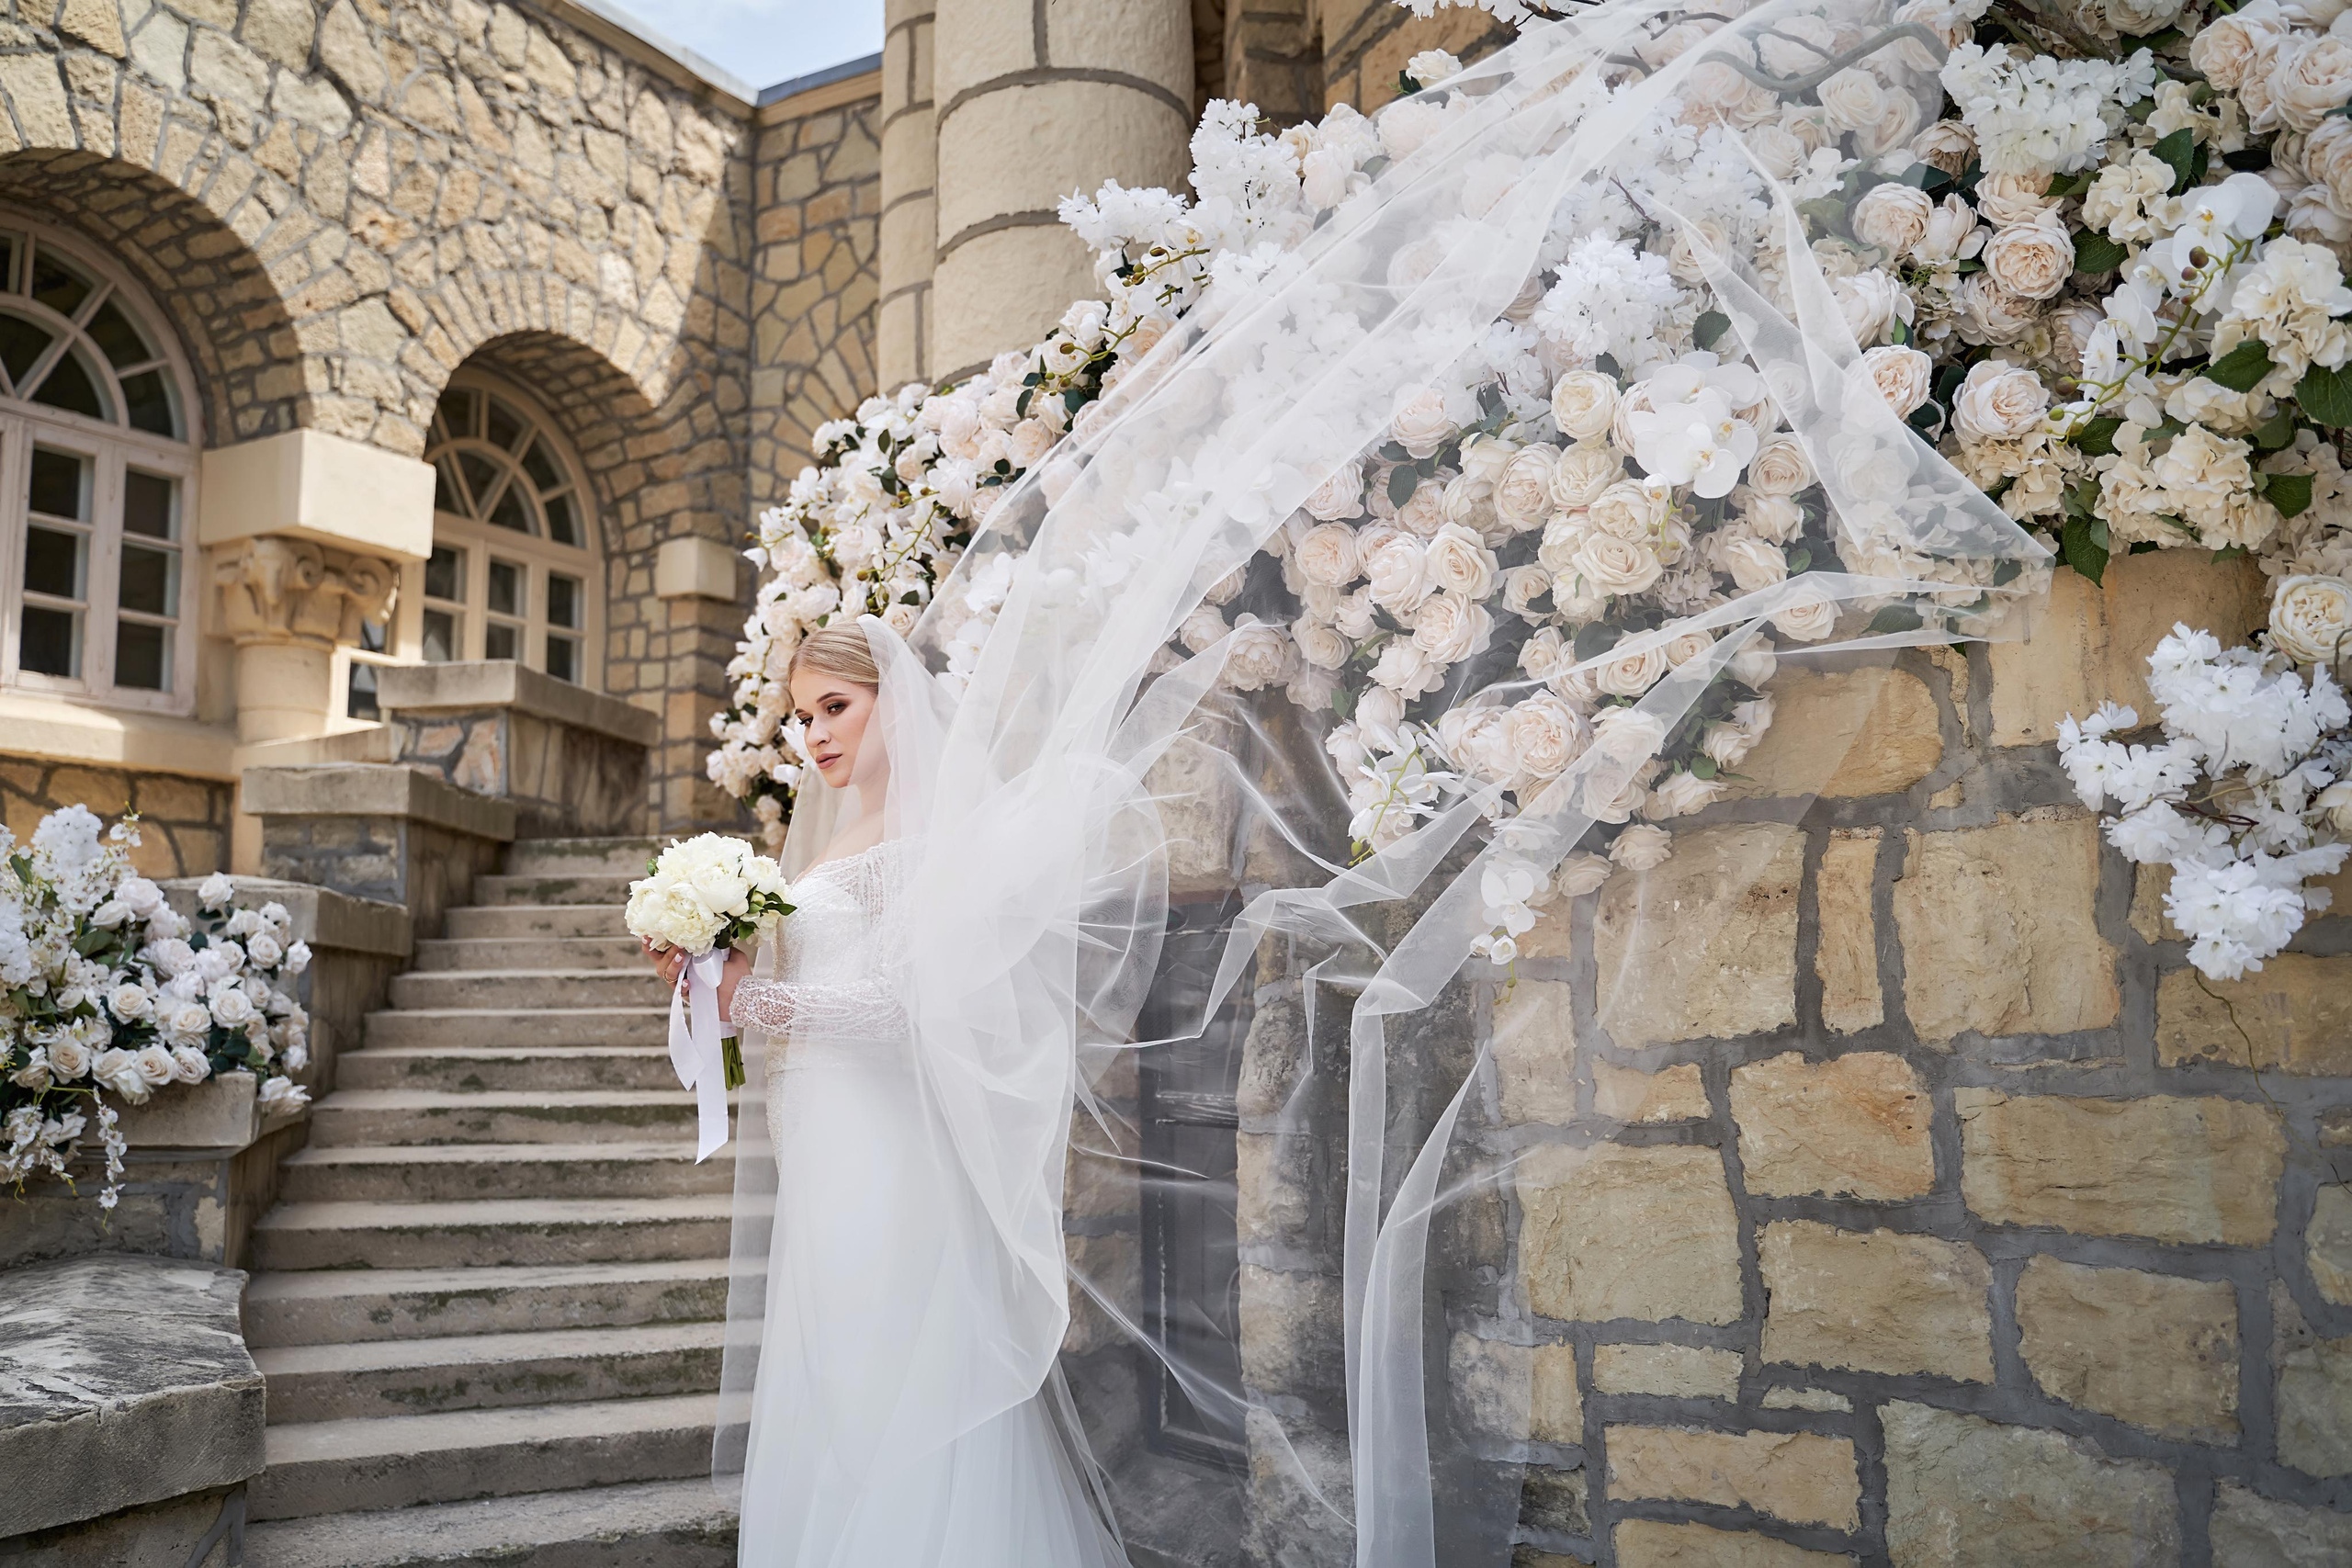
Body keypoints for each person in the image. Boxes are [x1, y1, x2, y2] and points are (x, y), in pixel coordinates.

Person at [645, 621, 1129, 1566]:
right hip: (821, 1133)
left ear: (894, 703)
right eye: (801, 717)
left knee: (890, 1361)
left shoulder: (925, 830)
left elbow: (904, 1006)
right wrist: (717, 973)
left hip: (882, 1135)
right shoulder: (829, 836)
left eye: (837, 707)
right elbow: (807, 987)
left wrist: (755, 997)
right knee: (837, 1363)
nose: (816, 734)